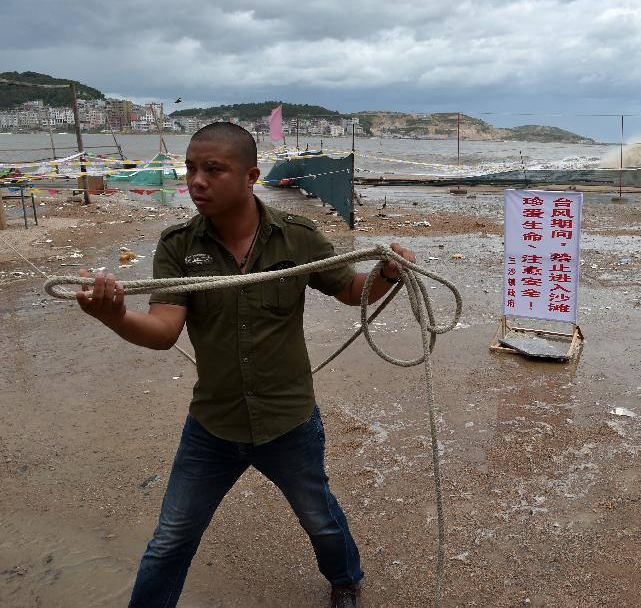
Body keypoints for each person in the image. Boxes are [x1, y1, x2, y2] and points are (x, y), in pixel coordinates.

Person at [76, 122, 413, 608]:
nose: (197, 180)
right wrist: (115, 317)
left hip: (288, 422)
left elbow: (351, 291)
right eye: (191, 168)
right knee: (170, 541)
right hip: (213, 426)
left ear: (251, 175)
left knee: (319, 518)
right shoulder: (178, 247)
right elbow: (163, 330)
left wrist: (388, 274)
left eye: (214, 169)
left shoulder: (296, 238)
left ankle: (346, 580)